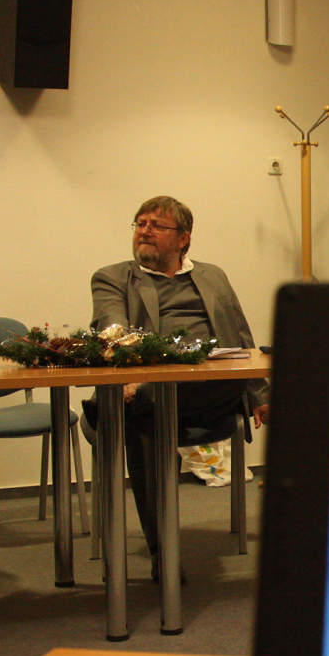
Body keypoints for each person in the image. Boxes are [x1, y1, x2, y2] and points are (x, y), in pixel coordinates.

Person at [90, 195, 269, 574]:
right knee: (144, 420)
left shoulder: (213, 275)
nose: (145, 231)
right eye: (140, 223)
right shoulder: (113, 277)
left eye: (157, 225)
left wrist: (259, 393)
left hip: (212, 390)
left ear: (183, 238)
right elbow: (112, 329)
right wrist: (139, 373)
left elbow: (241, 336)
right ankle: (164, 552)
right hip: (151, 393)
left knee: (149, 401)